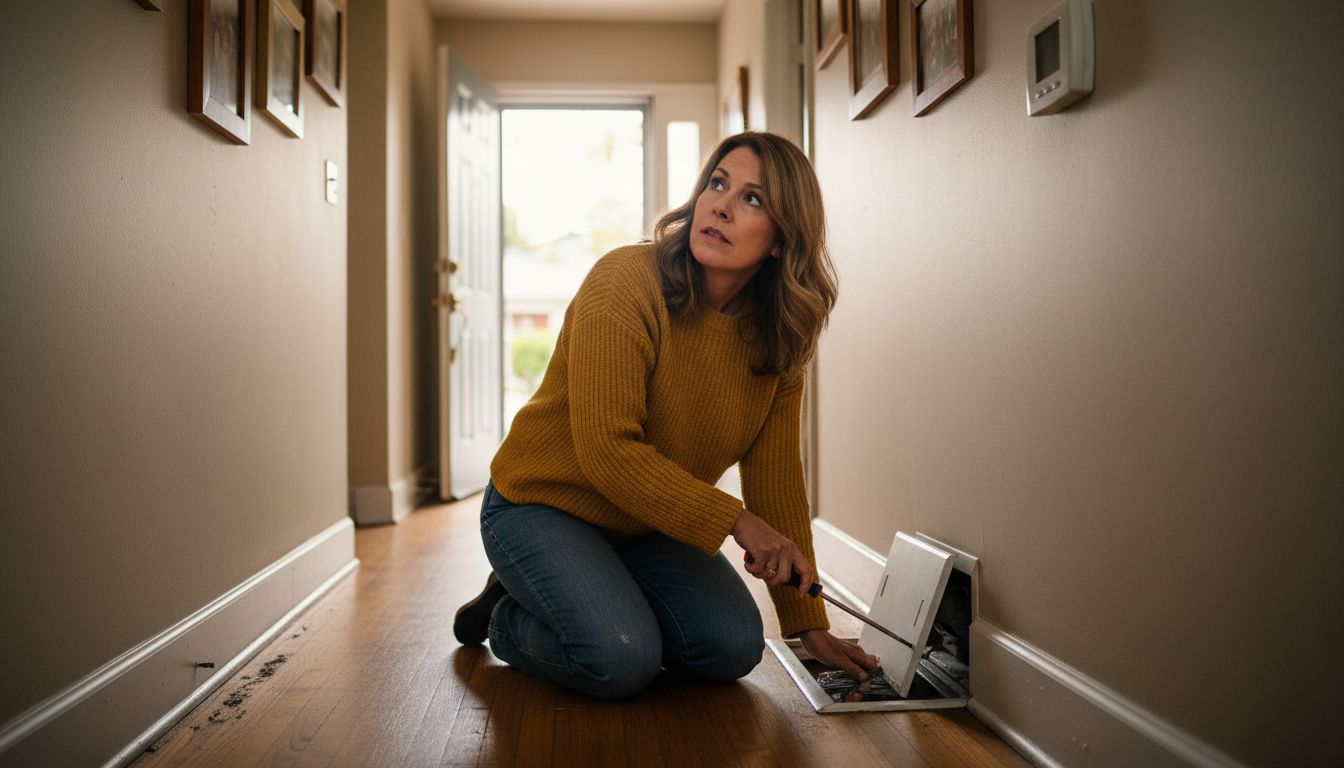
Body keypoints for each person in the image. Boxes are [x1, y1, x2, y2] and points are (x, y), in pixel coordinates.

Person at [452, 131, 879, 699]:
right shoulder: (625, 282)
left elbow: (777, 485)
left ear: (781, 240)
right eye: (718, 184)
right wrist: (736, 521)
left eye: (752, 199)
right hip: (541, 504)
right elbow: (608, 452)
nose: (721, 205)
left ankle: (587, 594)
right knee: (619, 658)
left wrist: (808, 625)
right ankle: (508, 613)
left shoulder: (779, 339)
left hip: (646, 522)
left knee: (730, 647)